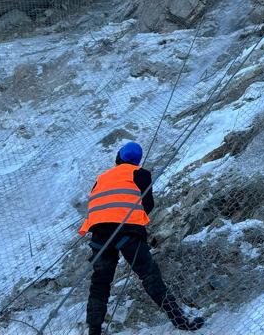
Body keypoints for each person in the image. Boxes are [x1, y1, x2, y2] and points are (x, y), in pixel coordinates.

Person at [79, 142, 204, 334]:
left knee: (100, 282)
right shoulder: (140, 173)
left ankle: (94, 329)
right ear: (137, 160)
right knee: (149, 274)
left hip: (99, 232)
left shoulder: (101, 177)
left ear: (118, 157)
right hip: (127, 231)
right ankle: (179, 321)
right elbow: (148, 204)